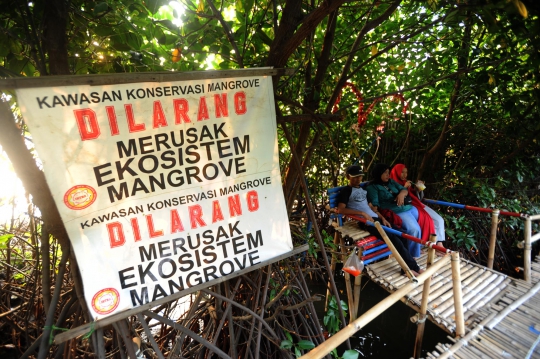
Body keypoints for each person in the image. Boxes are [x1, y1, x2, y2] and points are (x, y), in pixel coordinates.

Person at [336, 165, 422, 274]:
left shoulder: (362, 189)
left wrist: (383, 218)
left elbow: (371, 207)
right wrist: (362, 214)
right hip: (367, 222)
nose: (358, 179)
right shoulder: (346, 191)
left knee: (402, 235)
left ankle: (406, 268)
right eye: (355, 177)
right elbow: (340, 210)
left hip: (377, 219)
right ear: (348, 177)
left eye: (360, 176)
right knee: (394, 239)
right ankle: (415, 268)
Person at [366, 163, 422, 258]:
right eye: (385, 173)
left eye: (388, 172)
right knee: (414, 230)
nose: (388, 175)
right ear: (378, 174)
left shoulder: (391, 182)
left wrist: (401, 194)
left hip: (409, 208)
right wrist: (381, 217)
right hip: (397, 211)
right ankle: (412, 257)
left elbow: (404, 189)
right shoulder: (373, 187)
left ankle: (417, 248)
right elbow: (374, 206)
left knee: (425, 220)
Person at [390, 164, 446, 246]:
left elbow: (415, 197)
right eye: (402, 172)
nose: (405, 175)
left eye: (406, 172)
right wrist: (404, 187)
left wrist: (417, 189)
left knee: (439, 220)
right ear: (396, 172)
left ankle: (439, 242)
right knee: (427, 220)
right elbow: (395, 199)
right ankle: (434, 244)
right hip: (407, 207)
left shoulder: (405, 182)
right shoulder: (390, 184)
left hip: (417, 204)